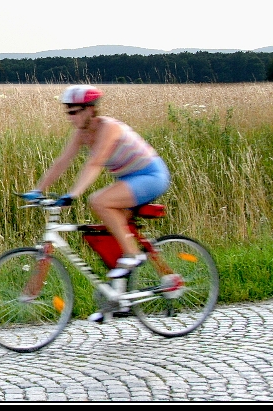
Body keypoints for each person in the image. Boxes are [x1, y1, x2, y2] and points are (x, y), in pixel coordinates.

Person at [22, 84, 170, 288]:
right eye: (68, 112)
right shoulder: (81, 133)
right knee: (108, 235)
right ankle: (118, 299)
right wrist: (37, 190)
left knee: (98, 201)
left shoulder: (109, 127)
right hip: (129, 180)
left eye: (74, 112)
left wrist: (73, 194)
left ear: (90, 109)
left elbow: (96, 162)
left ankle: (133, 254)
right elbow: (62, 162)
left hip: (150, 175)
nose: (70, 117)